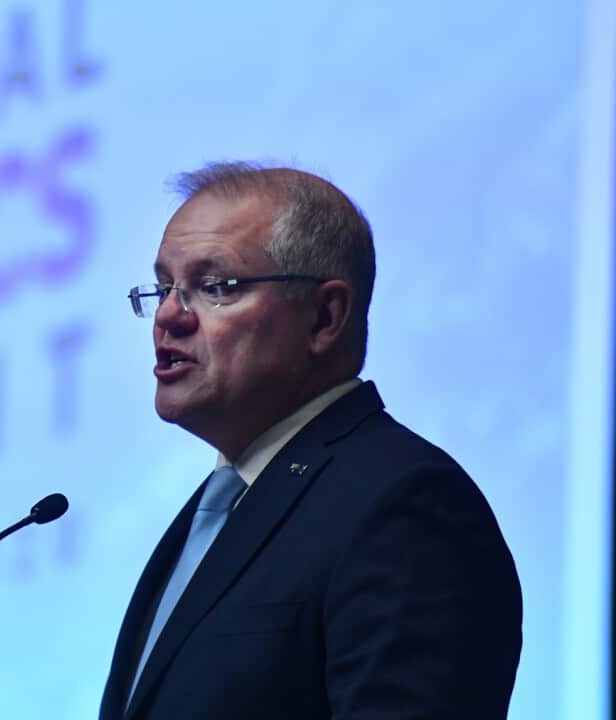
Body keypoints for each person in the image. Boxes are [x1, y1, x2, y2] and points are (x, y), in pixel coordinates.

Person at [100, 163, 522, 719]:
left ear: (325, 317)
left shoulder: (405, 505)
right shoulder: (213, 512)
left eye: (214, 286)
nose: (169, 317)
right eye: (163, 288)